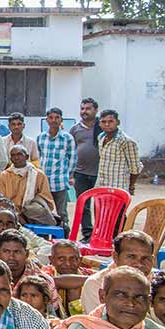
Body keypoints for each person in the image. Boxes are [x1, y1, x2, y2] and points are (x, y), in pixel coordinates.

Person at [81, 230, 157, 316]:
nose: (139, 264)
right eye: (131, 257)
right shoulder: (96, 284)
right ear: (115, 257)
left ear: (153, 260)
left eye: (145, 258)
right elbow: (99, 324)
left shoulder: (158, 282)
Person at [37, 107, 76, 232]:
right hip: (44, 184)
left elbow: (72, 158)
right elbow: (38, 157)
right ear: (47, 120)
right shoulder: (41, 137)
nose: (54, 120)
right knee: (43, 212)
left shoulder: (67, 138)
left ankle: (65, 238)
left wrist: (68, 176)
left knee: (62, 213)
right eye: (51, 118)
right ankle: (45, 237)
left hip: (59, 182)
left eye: (57, 118)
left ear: (61, 120)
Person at [0, 145, 56, 224]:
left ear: (27, 157)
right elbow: (1, 200)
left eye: (19, 154)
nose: (16, 158)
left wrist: (26, 210)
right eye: (13, 155)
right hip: (10, 213)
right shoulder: (4, 176)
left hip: (32, 214)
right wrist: (16, 213)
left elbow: (45, 198)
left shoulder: (38, 175)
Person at [71, 98, 101, 241]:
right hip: (81, 173)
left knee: (101, 206)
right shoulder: (75, 129)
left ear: (95, 110)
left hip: (100, 174)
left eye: (88, 109)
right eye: (82, 108)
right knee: (83, 205)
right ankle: (87, 235)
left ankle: (101, 234)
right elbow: (71, 151)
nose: (84, 112)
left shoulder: (102, 127)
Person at [95, 109, 142, 200]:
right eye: (103, 122)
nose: (107, 124)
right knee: (101, 213)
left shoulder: (126, 141)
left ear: (118, 122)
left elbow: (135, 168)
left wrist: (131, 187)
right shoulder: (101, 137)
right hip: (101, 185)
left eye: (110, 121)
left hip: (118, 187)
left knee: (118, 213)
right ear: (100, 123)